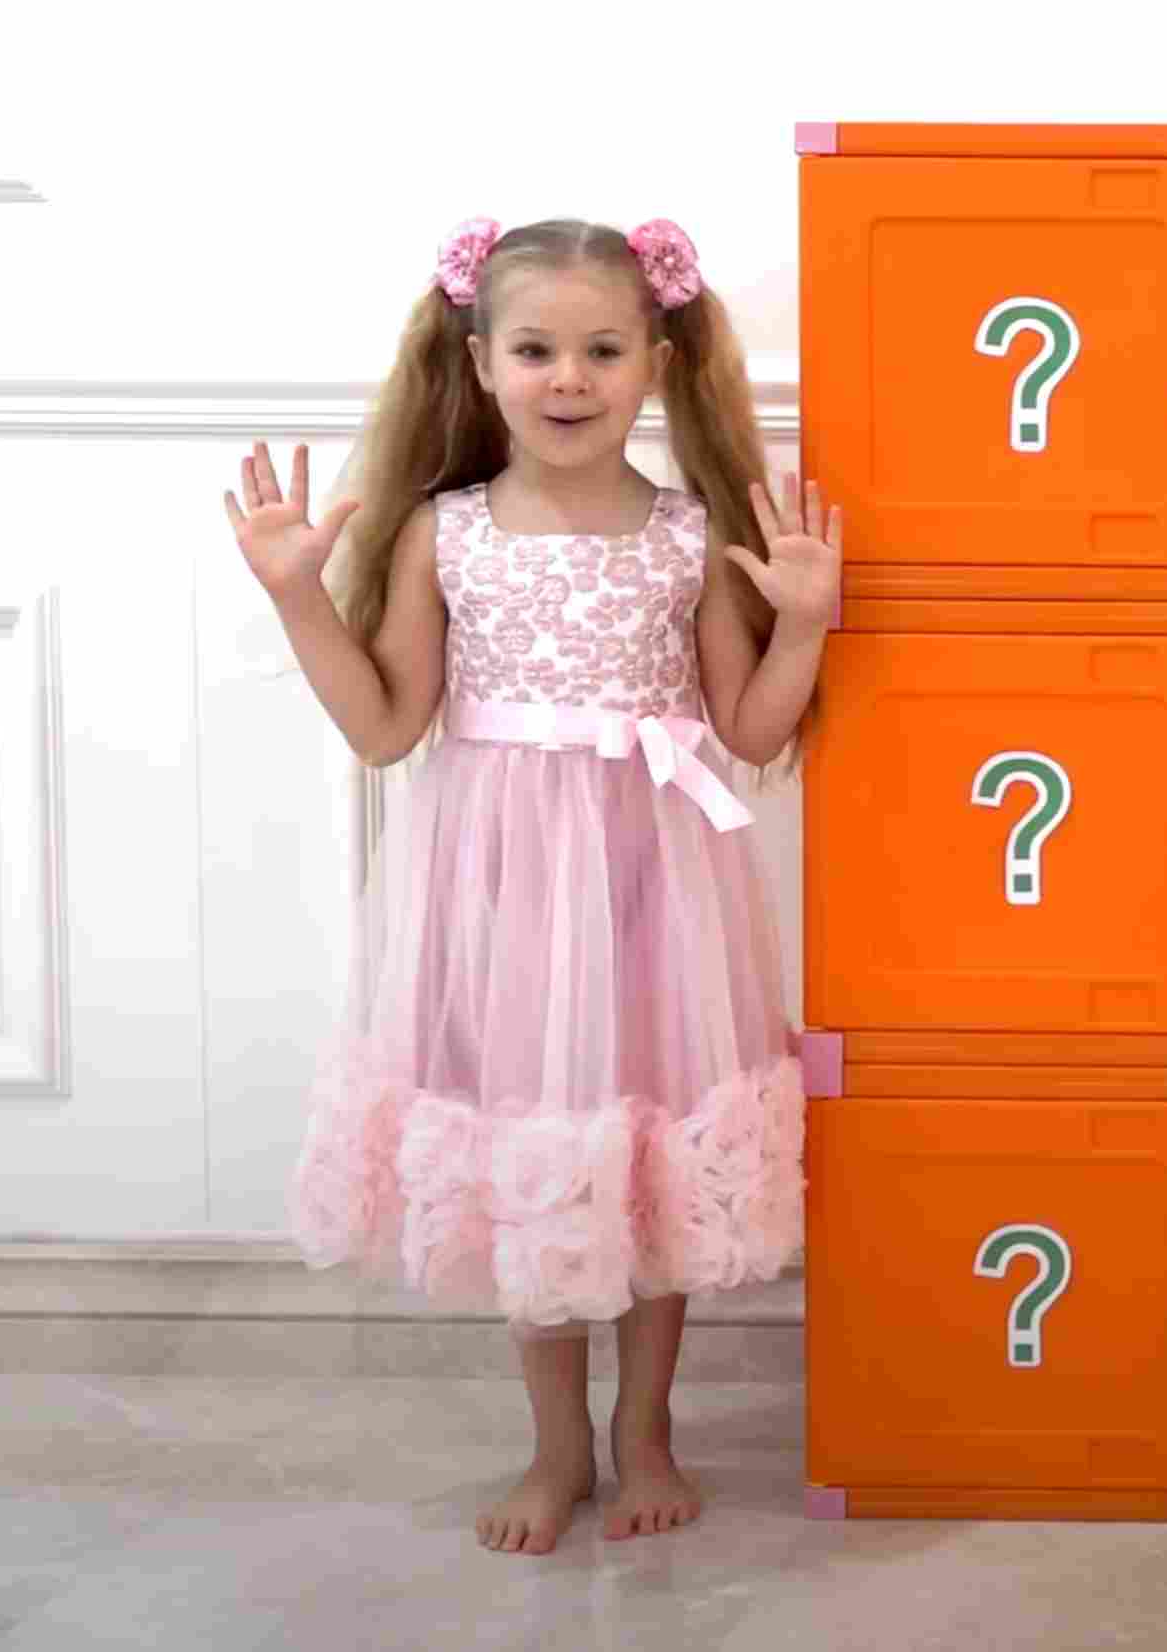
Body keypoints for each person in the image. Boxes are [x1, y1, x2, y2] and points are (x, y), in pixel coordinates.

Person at [224, 216, 838, 1555]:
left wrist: (803, 620)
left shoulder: (688, 538)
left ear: (657, 362)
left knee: (651, 1146)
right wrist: (297, 598)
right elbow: (386, 728)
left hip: (659, 884)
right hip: (506, 890)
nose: (569, 377)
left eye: (604, 350)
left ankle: (647, 1428)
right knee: (537, 1141)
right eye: (538, 349)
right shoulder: (444, 535)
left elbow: (750, 726)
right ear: (480, 360)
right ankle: (557, 1442)